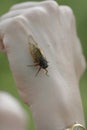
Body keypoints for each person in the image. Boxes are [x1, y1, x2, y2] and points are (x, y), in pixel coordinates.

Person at [0, 1, 86, 130]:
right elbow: (37, 63)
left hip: (39, 57)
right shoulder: (9, 115)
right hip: (38, 56)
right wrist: (62, 116)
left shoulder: (9, 116)